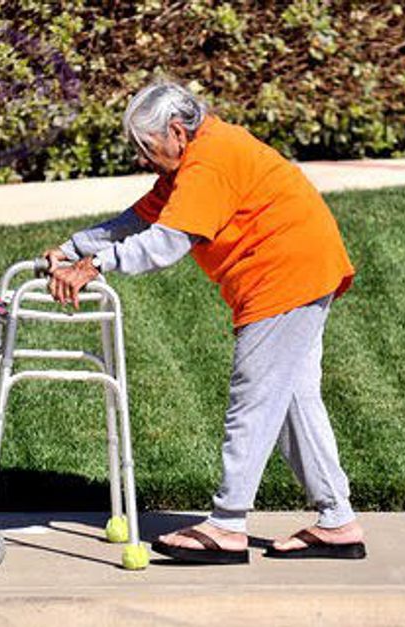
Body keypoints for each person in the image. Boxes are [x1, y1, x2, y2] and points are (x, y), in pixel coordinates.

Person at [42, 80, 365, 565]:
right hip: (300, 268)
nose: (142, 159)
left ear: (176, 131)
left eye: (146, 147)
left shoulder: (209, 162)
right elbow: (140, 219)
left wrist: (93, 266)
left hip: (284, 274)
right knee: (294, 399)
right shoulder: (194, 159)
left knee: (253, 401)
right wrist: (72, 248)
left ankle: (227, 526)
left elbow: (165, 243)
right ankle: (338, 521)